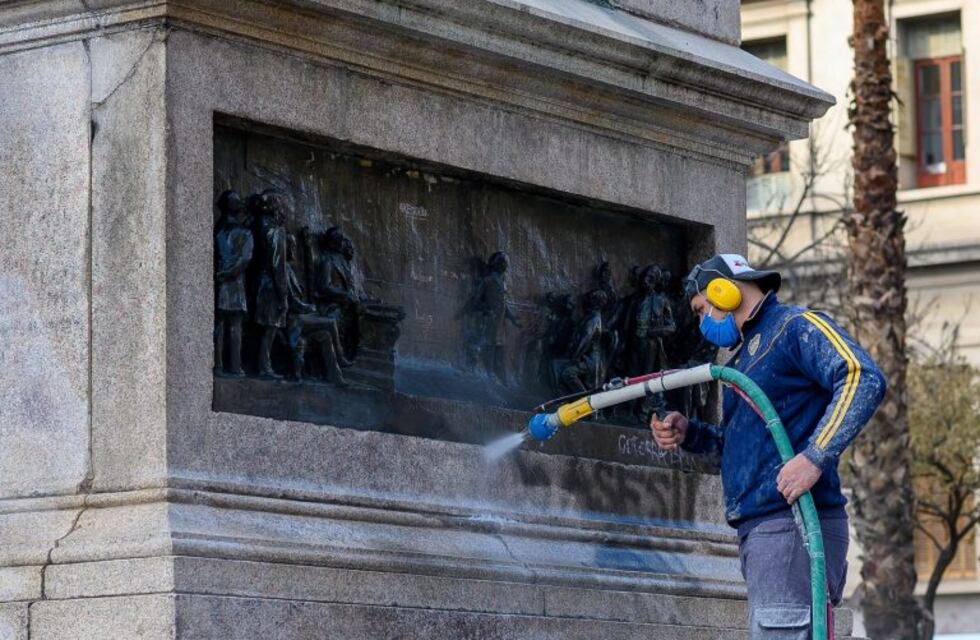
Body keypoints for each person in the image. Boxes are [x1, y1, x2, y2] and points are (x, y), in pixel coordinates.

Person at [650, 254, 886, 638]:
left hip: (792, 523)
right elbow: (747, 450)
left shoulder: (794, 327)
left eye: (699, 310)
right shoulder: (745, 359)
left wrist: (814, 457)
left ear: (722, 291)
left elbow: (863, 377)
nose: (700, 322)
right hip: (767, 529)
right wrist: (689, 434)